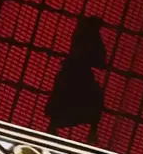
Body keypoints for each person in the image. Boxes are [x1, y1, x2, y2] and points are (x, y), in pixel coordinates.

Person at [45, 16, 107, 144]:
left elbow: (100, 60)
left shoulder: (86, 35)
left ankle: (53, 127)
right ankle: (54, 127)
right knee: (87, 97)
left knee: (88, 97)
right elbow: (99, 60)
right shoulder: (87, 36)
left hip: (77, 72)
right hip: (77, 72)